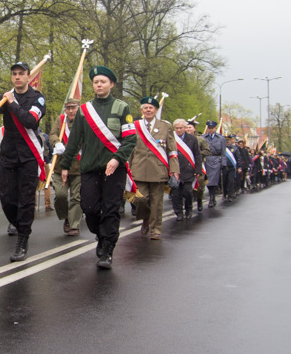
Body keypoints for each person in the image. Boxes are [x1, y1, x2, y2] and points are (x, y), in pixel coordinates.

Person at [58, 66, 136, 269]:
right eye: (96, 82)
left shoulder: (122, 108)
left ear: (111, 84)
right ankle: (100, 235)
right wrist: (64, 165)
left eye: (103, 81)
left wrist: (117, 159)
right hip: (90, 168)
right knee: (89, 208)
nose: (99, 85)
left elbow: (130, 139)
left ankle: (107, 249)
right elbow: (74, 141)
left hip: (114, 169)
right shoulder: (84, 110)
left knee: (110, 210)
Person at [0, 61, 46, 262]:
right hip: (8, 153)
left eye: (21, 73)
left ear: (28, 76)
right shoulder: (6, 96)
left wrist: (13, 103)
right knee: (7, 197)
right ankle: (19, 224)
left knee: (26, 199)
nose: (17, 77)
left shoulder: (37, 98)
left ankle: (23, 238)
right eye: (14, 74)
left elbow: (30, 121)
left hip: (28, 155)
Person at [129, 96, 179, 240]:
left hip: (158, 169)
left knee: (157, 202)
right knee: (140, 200)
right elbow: (130, 149)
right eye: (146, 107)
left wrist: (174, 170)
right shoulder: (135, 125)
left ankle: (156, 229)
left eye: (151, 108)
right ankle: (145, 217)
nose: (148, 110)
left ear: (156, 110)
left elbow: (172, 149)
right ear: (141, 110)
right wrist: (127, 169)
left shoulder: (165, 126)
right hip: (138, 169)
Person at [52, 98, 83, 236]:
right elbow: (52, 134)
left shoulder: (83, 120)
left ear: (78, 108)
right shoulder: (61, 119)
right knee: (60, 195)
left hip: (78, 166)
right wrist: (57, 143)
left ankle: (74, 224)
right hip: (60, 165)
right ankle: (66, 217)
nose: (71, 111)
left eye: (73, 108)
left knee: (76, 197)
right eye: (68, 108)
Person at [170, 118, 202, 219]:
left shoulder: (192, 139)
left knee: (187, 192)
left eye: (180, 128)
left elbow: (197, 155)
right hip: (175, 169)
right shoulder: (171, 138)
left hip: (188, 170)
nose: (178, 130)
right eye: (176, 128)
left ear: (184, 128)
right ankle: (179, 212)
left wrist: (198, 169)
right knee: (176, 193)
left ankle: (189, 209)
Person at [202, 121, 225, 207]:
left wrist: (223, 163)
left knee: (214, 180)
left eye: (212, 128)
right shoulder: (204, 137)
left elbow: (223, 152)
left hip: (216, 160)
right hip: (206, 159)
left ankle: (212, 197)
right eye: (209, 128)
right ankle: (211, 195)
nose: (211, 129)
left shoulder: (221, 138)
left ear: (215, 128)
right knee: (207, 180)